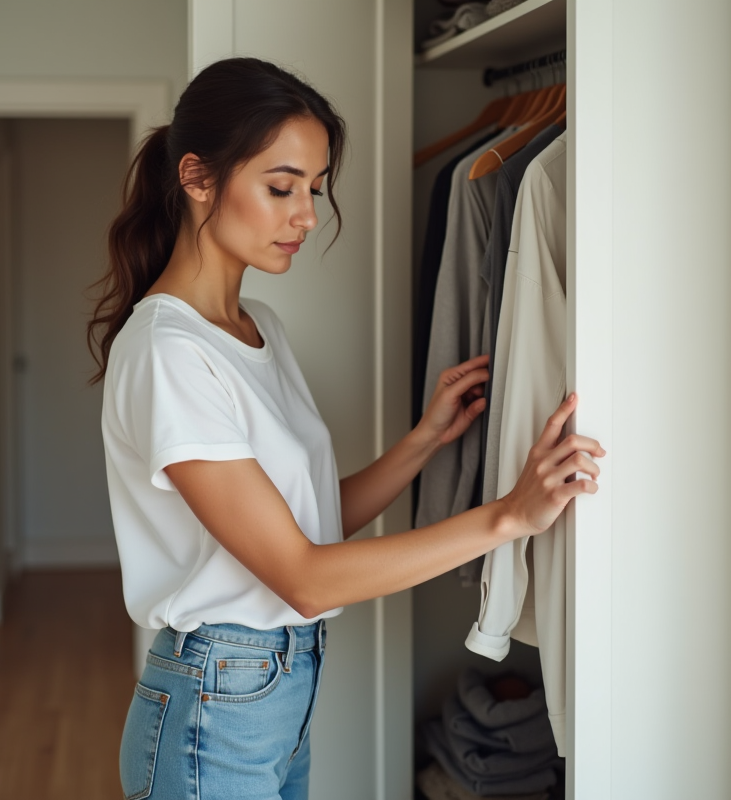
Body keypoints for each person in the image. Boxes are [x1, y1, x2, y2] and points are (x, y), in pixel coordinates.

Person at [87, 57, 604, 800]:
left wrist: (423, 441)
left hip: (271, 689)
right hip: (218, 700)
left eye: (315, 189)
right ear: (197, 177)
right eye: (280, 187)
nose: (305, 214)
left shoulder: (253, 326)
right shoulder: (169, 353)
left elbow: (307, 522)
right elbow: (301, 576)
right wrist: (507, 518)